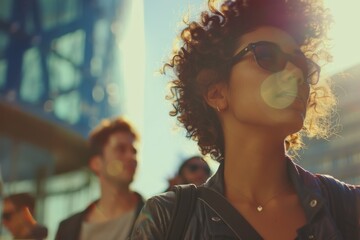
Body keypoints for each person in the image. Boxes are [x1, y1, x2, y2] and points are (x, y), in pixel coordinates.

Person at [131, 0, 360, 239]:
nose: (296, 74)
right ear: (217, 93)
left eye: (303, 64)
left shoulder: (349, 206)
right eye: (267, 56)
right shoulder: (167, 217)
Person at [56, 117, 144, 240]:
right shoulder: (68, 229)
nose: (132, 157)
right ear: (96, 163)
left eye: (134, 151)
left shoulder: (157, 216)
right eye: (120, 149)